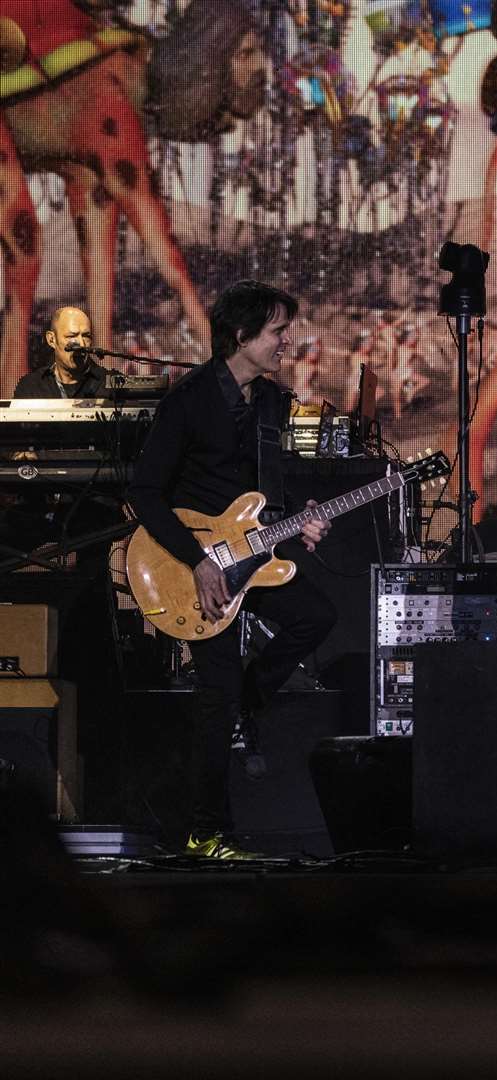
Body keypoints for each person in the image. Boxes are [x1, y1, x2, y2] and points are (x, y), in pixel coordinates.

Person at [127, 281, 334, 860]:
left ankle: (250, 700)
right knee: (213, 696)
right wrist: (196, 563)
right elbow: (144, 491)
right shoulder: (189, 399)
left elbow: (268, 492)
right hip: (192, 565)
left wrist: (303, 520)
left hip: (253, 554)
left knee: (314, 616)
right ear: (241, 337)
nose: (287, 342)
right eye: (276, 332)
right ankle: (205, 833)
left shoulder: (272, 402)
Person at [12, 307, 110, 398]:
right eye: (71, 336)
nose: (81, 344)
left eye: (86, 336)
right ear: (51, 339)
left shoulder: (113, 382)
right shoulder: (30, 386)